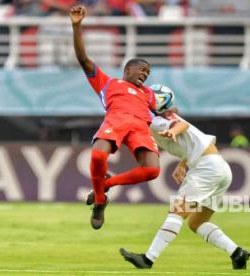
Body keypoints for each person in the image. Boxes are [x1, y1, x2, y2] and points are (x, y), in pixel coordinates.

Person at [119, 84, 250, 270]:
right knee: (197, 222)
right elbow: (202, 139)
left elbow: (183, 126)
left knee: (177, 212)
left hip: (206, 169)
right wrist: (183, 162)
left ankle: (148, 259)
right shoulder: (164, 116)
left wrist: (173, 131)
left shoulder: (156, 120)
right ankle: (237, 253)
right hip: (219, 168)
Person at [70, 5, 161, 230]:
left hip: (140, 126)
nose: (144, 75)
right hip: (117, 120)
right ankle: (100, 201)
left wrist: (172, 114)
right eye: (141, 70)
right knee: (98, 156)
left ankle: (105, 184)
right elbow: (83, 59)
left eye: (147, 74)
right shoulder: (109, 83)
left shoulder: (148, 93)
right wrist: (76, 26)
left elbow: (161, 112)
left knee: (152, 170)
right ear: (127, 70)